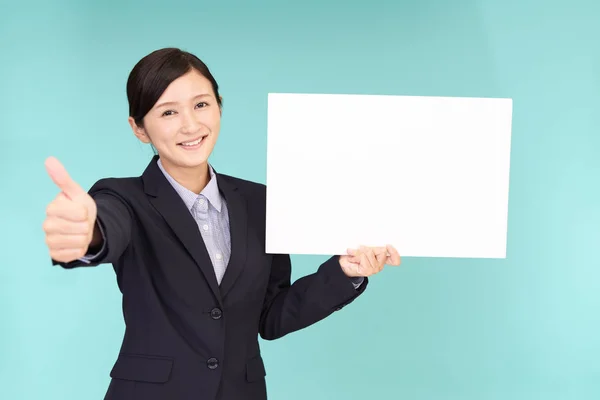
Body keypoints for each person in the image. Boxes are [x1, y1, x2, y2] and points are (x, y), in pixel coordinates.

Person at [43, 47, 401, 400]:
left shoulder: (261, 202)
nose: (191, 125)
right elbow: (107, 225)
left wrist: (345, 271)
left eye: (201, 104)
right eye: (168, 112)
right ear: (139, 128)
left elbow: (271, 316)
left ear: (219, 106)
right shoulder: (124, 197)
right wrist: (86, 235)